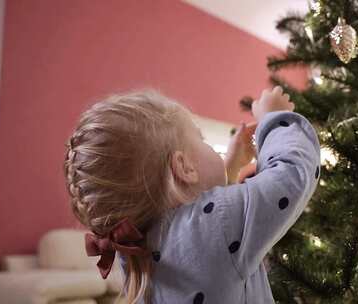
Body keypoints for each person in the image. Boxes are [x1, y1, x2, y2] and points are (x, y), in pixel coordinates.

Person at [64, 86, 321, 303]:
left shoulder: (133, 250)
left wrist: (230, 168)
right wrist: (275, 119)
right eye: (202, 139)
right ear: (185, 168)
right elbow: (293, 175)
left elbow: (208, 242)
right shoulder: (215, 227)